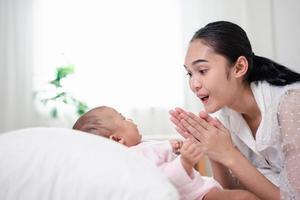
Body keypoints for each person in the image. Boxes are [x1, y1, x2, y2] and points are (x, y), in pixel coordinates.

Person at [169, 21, 300, 200]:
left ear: (239, 67)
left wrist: (230, 154)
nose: (194, 84)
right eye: (190, 74)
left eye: (202, 70)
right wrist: (212, 151)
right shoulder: (225, 115)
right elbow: (231, 192)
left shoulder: (291, 102)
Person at [73, 106, 260, 200]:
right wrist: (185, 162)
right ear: (117, 140)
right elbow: (163, 177)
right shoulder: (135, 159)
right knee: (244, 198)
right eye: (123, 118)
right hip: (197, 196)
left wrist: (174, 146)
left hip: (202, 188)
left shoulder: (142, 146)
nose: (129, 119)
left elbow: (161, 151)